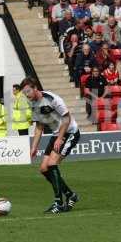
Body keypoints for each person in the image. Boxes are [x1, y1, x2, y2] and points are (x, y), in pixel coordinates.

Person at [20, 77, 80, 214]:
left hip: (69, 132)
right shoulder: (33, 103)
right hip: (56, 134)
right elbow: (39, 126)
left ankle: (58, 202)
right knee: (43, 169)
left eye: (28, 91)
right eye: (24, 93)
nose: (27, 95)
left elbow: (66, 117)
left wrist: (60, 138)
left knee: (52, 164)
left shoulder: (52, 99)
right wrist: (34, 146)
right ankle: (71, 195)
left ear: (35, 88)